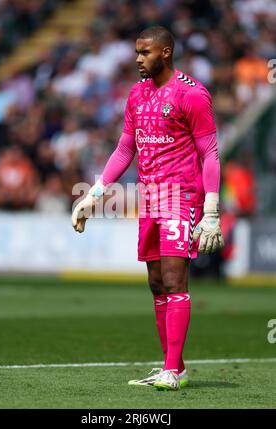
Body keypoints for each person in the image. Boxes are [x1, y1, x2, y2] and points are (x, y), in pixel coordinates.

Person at [71, 26, 224, 391]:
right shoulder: (137, 95)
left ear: (166, 53)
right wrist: (94, 195)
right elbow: (126, 148)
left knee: (174, 280)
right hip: (150, 198)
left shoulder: (192, 94)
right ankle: (175, 367)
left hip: (181, 196)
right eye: (138, 52)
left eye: (145, 53)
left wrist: (212, 210)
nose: (138, 59)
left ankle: (171, 372)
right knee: (157, 284)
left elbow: (210, 153)